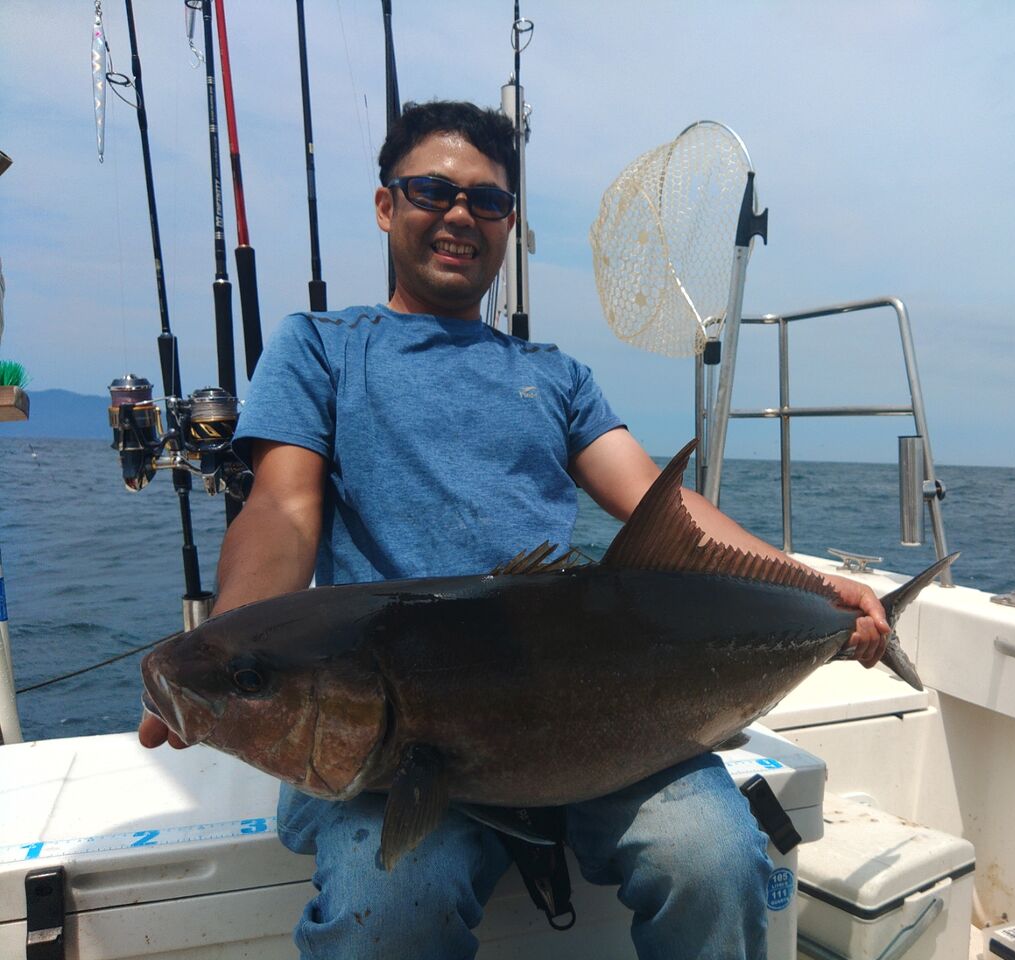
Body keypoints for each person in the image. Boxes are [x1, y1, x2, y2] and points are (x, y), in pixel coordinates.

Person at [139, 99, 890, 960]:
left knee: (713, 859)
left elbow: (657, 500)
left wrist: (818, 590)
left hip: (594, 708)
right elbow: (282, 506)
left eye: (487, 201)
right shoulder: (322, 348)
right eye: (432, 191)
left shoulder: (554, 376)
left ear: (507, 225)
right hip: (400, 732)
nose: (460, 215)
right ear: (386, 205)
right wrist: (226, 657)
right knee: (393, 905)